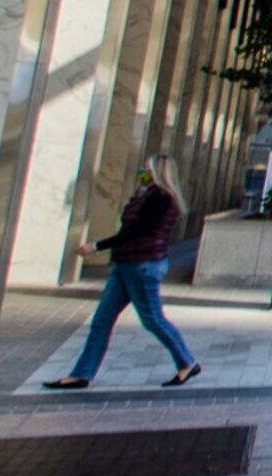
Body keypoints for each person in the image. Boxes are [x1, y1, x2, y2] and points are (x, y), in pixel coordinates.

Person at [49, 162, 202, 388]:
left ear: (159, 173)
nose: (142, 172)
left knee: (153, 320)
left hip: (143, 265)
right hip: (126, 264)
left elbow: (136, 231)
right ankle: (81, 374)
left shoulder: (161, 198)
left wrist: (97, 246)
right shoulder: (145, 195)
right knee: (102, 320)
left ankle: (187, 362)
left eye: (147, 169)